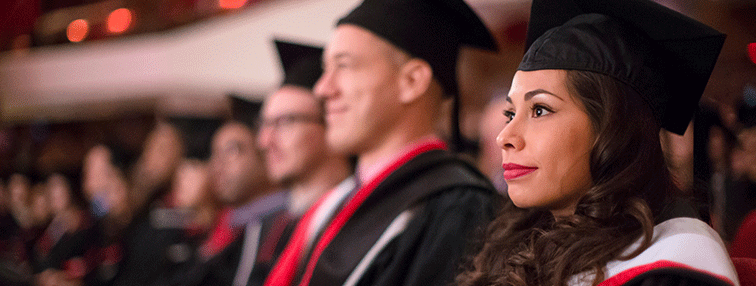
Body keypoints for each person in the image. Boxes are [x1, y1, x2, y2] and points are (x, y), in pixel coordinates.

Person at [456, 0, 738, 285]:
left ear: (613, 128)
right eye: (510, 113)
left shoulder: (676, 265)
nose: (504, 137)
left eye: (540, 110)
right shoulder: (524, 244)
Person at [264, 0, 500, 285]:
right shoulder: (332, 204)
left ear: (412, 81)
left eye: (344, 65)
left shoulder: (457, 208)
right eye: (326, 69)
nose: (322, 89)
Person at [177, 96, 285, 286]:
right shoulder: (225, 226)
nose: (217, 165)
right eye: (214, 155)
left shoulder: (281, 227)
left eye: (231, 151)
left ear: (266, 154)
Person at [258, 39, 353, 218]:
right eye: (265, 123)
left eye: (285, 121)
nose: (265, 141)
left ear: (331, 124)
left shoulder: (360, 218)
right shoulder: (266, 228)